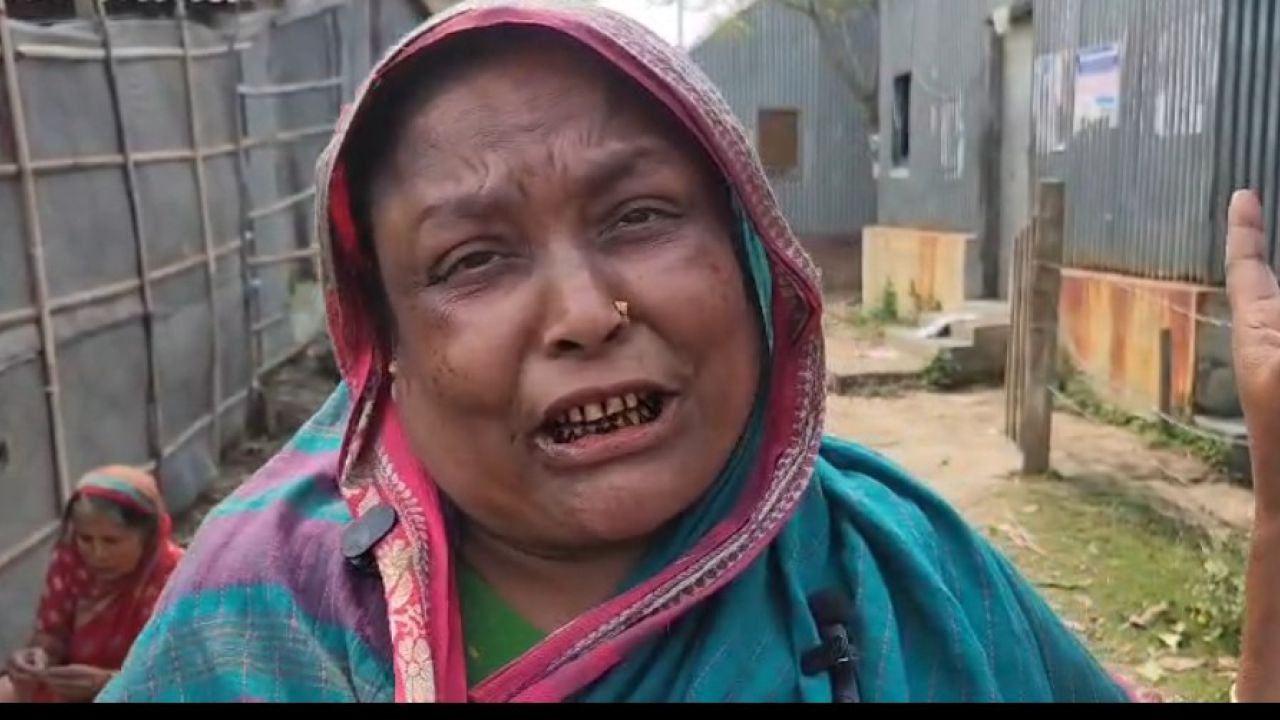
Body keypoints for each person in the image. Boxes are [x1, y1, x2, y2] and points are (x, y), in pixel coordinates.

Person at [98, 1, 1279, 702]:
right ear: (382, 343)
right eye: (472, 260)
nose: (583, 312)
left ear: (753, 256)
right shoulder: (254, 625)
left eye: (640, 216)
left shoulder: (902, 570)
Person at [1, 466, 183, 703]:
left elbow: (185, 670)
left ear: (147, 537)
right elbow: (53, 633)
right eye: (85, 538)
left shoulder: (178, 578)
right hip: (71, 689)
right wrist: (39, 656)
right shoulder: (70, 562)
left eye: (111, 541)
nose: (97, 554)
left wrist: (110, 682)